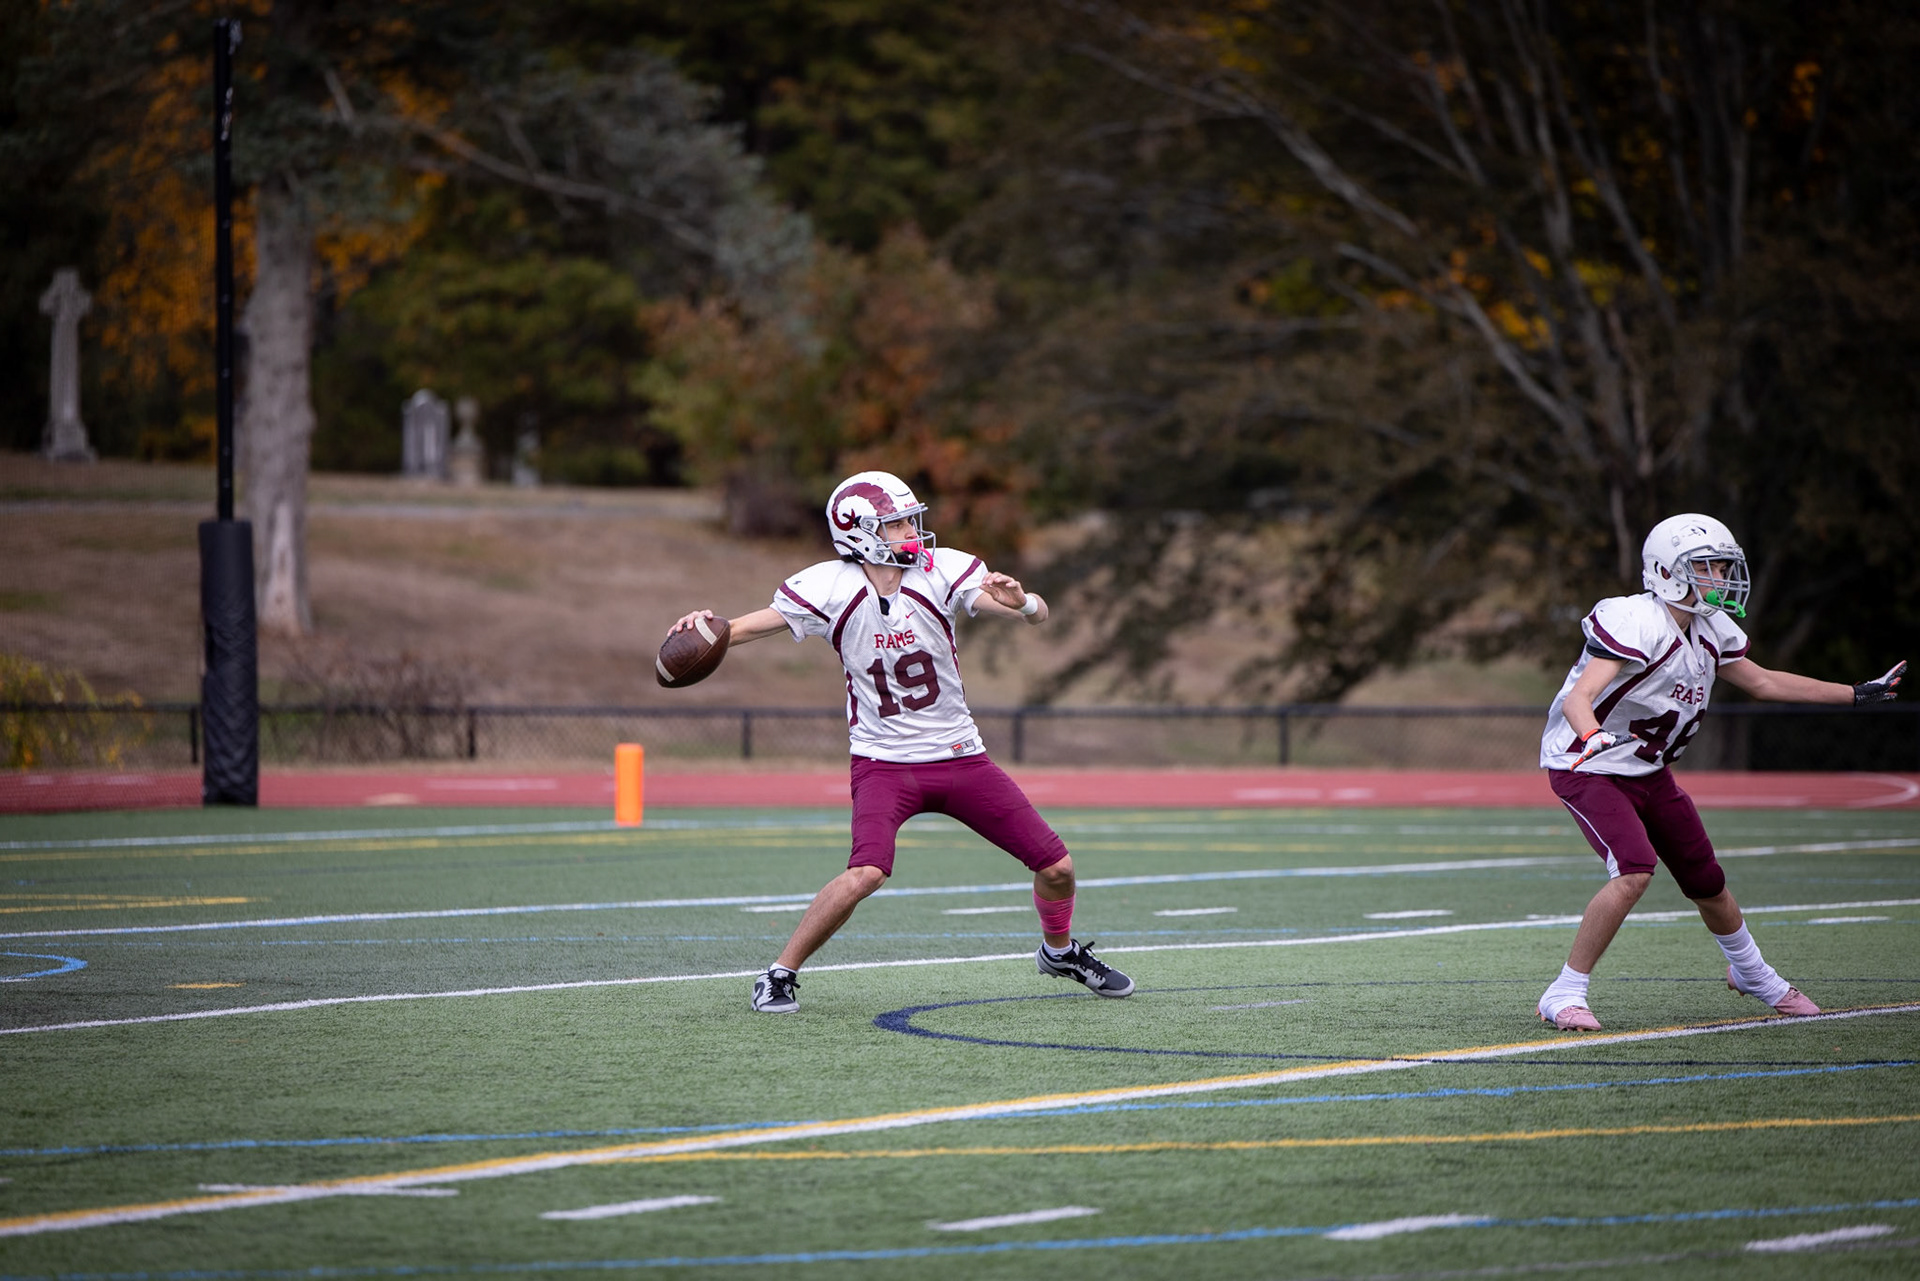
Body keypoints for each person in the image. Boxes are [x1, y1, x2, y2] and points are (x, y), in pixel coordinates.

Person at [666, 470, 1134, 1013]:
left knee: (1058, 868)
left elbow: (1031, 615)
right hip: (884, 763)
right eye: (897, 523)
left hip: (961, 757)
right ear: (860, 532)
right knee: (866, 872)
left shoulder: (943, 571)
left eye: (911, 518)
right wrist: (708, 624)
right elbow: (744, 630)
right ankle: (778, 973)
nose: (912, 529)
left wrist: (1023, 601)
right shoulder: (828, 587)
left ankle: (1059, 952)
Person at [1535, 513, 1905, 1031]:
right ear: (1667, 572)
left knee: (1706, 879)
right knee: (1635, 869)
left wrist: (1854, 693)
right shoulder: (1633, 619)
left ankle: (1752, 973)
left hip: (1648, 769)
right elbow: (1580, 696)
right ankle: (1564, 991)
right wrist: (1592, 733)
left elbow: (1765, 682)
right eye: (1708, 567)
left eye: (1723, 567)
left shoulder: (1710, 627)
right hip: (1588, 764)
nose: (1720, 578)